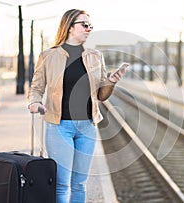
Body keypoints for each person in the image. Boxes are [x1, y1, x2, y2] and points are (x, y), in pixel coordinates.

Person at [28, 9, 127, 203]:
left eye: (91, 26)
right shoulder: (49, 56)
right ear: (70, 27)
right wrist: (34, 101)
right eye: (84, 25)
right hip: (59, 126)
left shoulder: (95, 56)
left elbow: (100, 95)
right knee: (62, 184)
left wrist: (111, 82)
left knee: (80, 184)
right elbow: (37, 87)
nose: (89, 29)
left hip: (87, 127)